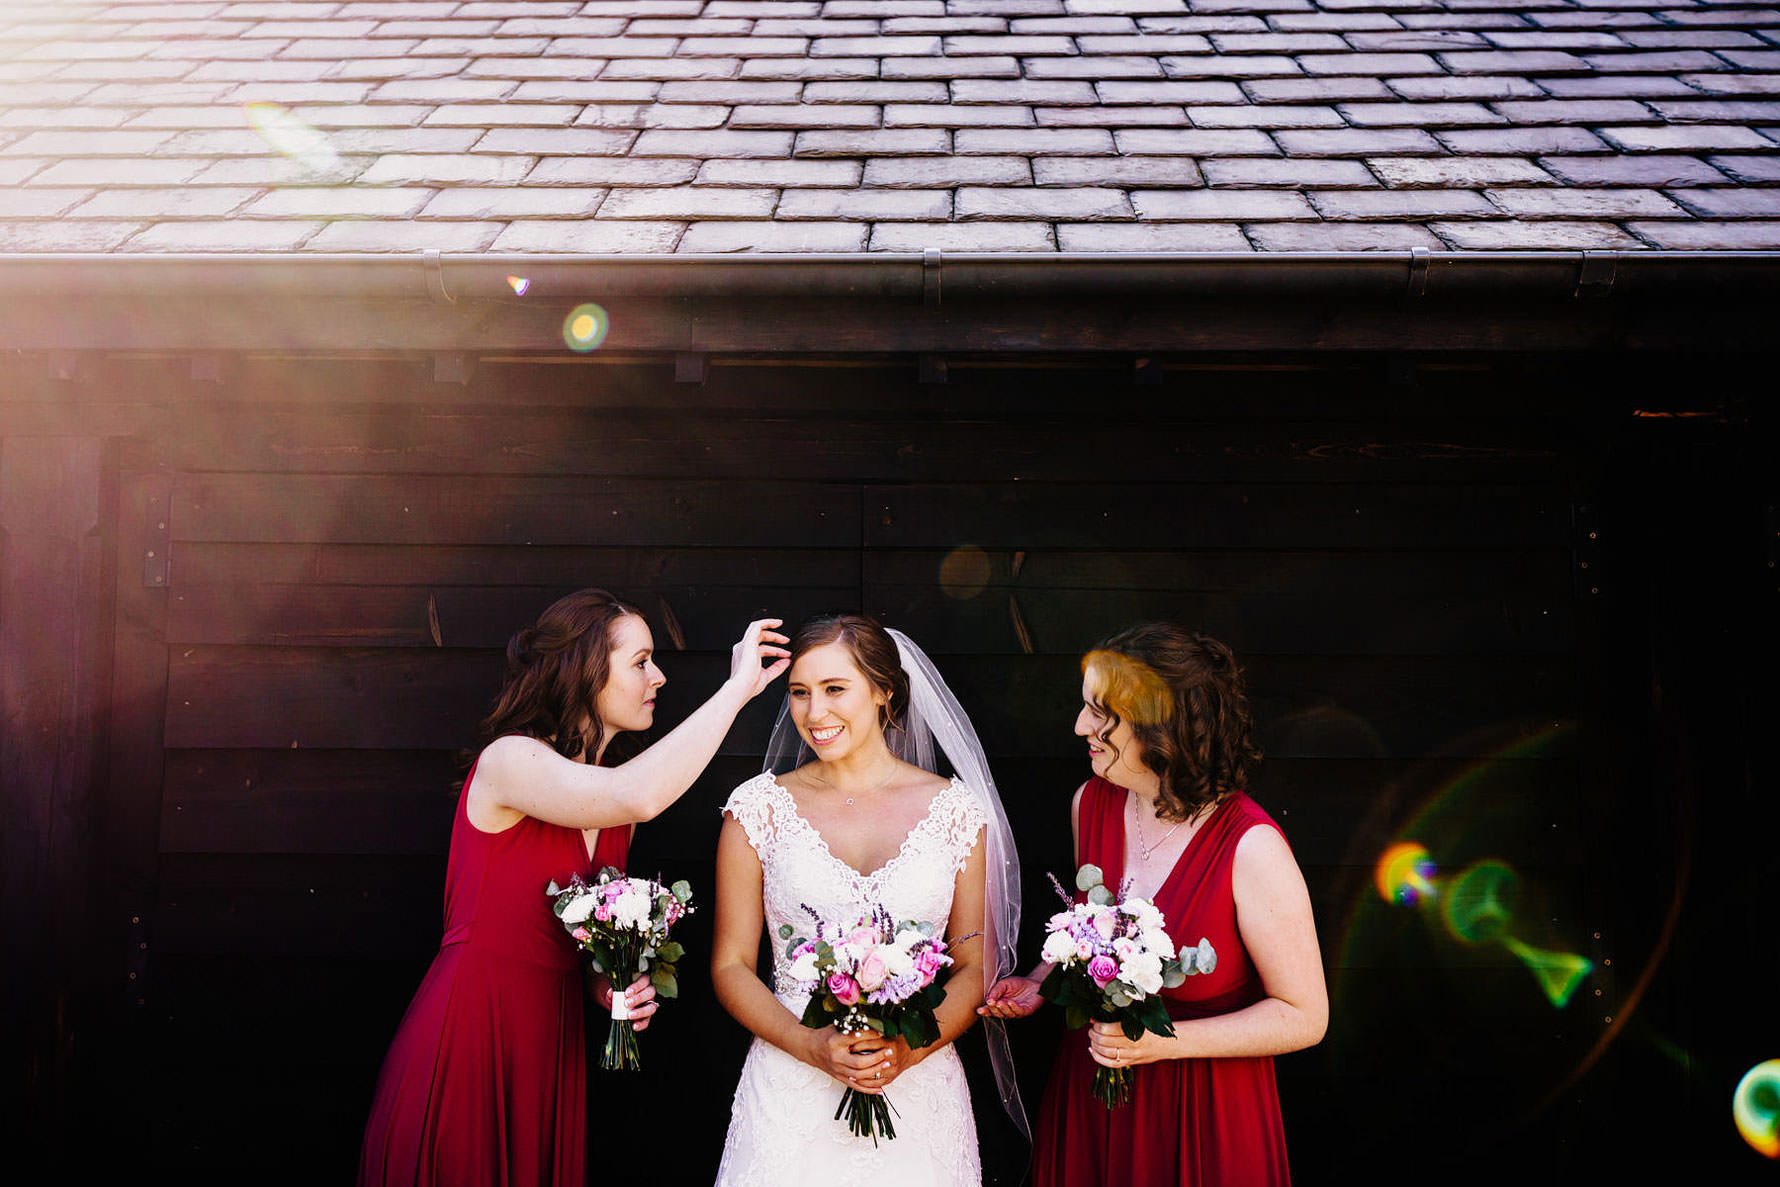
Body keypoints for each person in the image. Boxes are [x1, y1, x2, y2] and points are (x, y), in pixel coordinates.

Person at [358, 590, 789, 1187]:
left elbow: (571, 940)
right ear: (584, 668)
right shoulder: (510, 760)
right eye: (640, 662)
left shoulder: (617, 808)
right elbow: (640, 792)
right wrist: (738, 688)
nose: (658, 677)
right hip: (472, 1031)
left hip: (550, 1047)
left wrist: (608, 989)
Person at [980, 624, 1326, 1186]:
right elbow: (1095, 936)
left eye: (1101, 713)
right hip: (1092, 1100)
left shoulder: (1250, 846)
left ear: (1158, 726)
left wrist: (1160, 1044)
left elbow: (1305, 1016)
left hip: (1202, 1118)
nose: (1079, 727)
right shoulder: (1090, 803)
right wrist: (1042, 983)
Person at [710, 613, 1025, 1186]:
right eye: (799, 693)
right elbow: (731, 964)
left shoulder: (956, 812)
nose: (814, 713)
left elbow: (974, 965)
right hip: (790, 1089)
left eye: (835, 689)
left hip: (917, 1086)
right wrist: (810, 1045)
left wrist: (905, 1051)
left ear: (883, 692)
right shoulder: (757, 809)